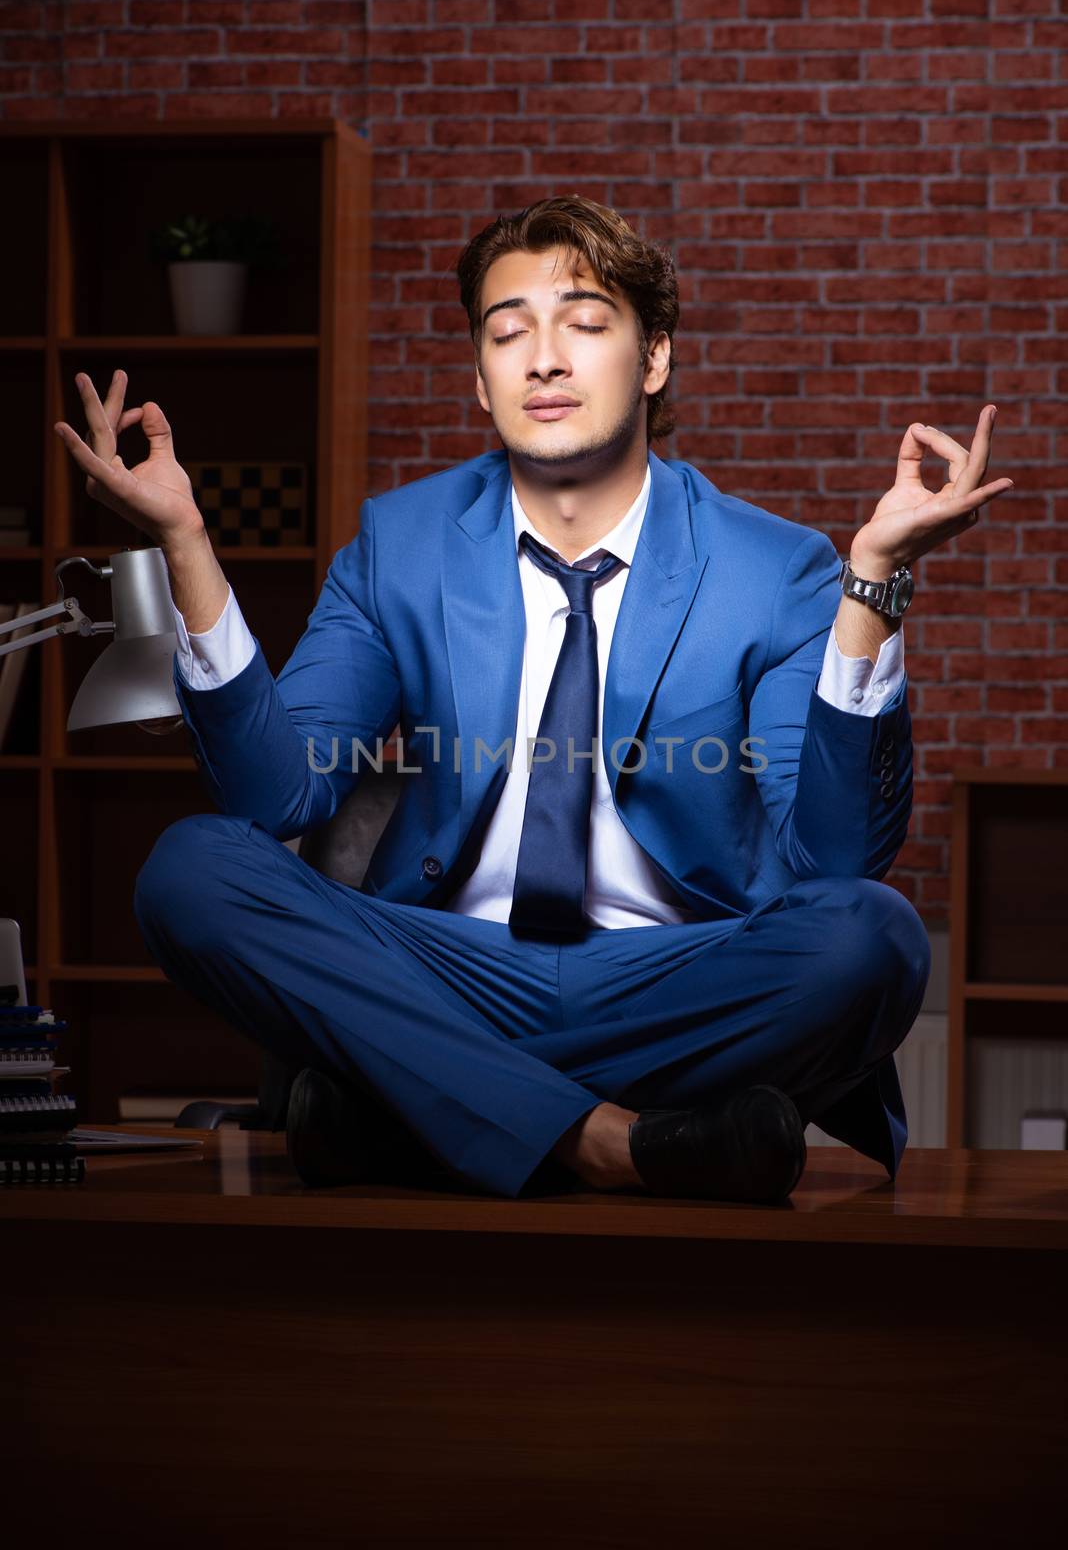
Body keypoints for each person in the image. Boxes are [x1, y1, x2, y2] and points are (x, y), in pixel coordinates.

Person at [54, 195, 1013, 1203]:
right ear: (479, 377)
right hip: (448, 969)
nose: (543, 360)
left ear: (654, 360)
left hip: (670, 976)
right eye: (508, 332)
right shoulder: (402, 545)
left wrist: (872, 582)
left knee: (874, 934)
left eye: (585, 325)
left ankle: (416, 1109)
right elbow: (276, 797)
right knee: (193, 868)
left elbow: (831, 858)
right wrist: (185, 544)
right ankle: (607, 1141)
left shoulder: (774, 568)